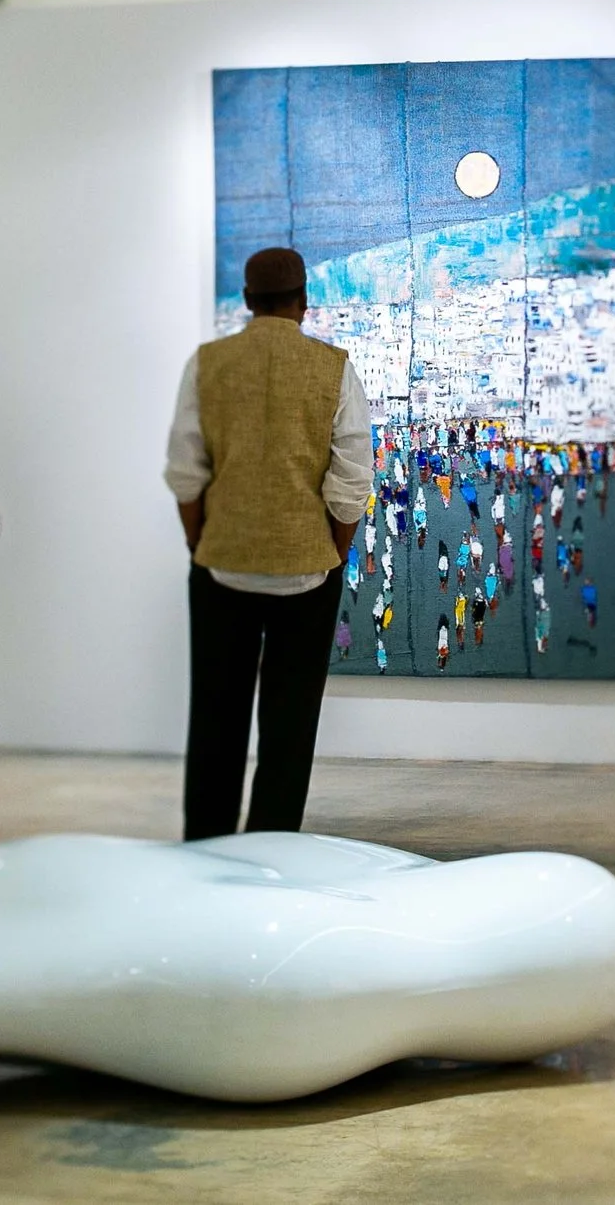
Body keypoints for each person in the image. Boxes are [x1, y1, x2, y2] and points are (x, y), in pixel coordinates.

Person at [163, 247, 372, 841]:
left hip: (221, 568)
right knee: (289, 728)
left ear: (248, 302)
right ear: (303, 303)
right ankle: (271, 855)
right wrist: (332, 551)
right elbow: (352, 477)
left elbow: (186, 470)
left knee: (214, 722)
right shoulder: (334, 368)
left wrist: (200, 541)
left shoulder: (208, 364)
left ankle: (206, 851)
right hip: (307, 575)